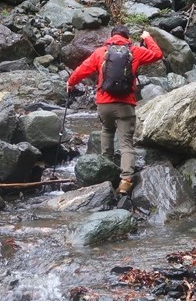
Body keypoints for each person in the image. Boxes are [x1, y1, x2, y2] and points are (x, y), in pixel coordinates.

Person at [66, 25, 163, 195]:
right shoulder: (135, 51)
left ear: (111, 37)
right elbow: (157, 54)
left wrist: (70, 83)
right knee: (126, 143)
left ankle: (107, 170)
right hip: (126, 105)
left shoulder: (101, 52)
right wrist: (147, 37)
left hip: (104, 104)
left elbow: (82, 69)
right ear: (127, 37)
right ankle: (126, 181)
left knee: (107, 131)